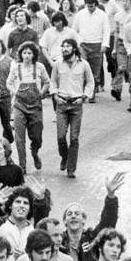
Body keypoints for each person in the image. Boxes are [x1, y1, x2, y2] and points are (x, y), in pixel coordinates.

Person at [50, 38, 94, 179]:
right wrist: (55, 95)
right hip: (62, 103)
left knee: (74, 138)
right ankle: (65, 157)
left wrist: (84, 96)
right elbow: (53, 81)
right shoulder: (57, 64)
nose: (65, 49)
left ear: (74, 49)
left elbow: (90, 82)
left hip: (76, 104)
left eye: (68, 47)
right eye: (63, 47)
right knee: (61, 137)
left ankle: (71, 168)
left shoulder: (83, 64)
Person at [0, 183, 50, 259]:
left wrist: (41, 199)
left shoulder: (33, 229)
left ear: (30, 208)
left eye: (26, 203)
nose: (21, 206)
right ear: (10, 205)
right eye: (18, 202)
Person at [7, 41, 50, 172]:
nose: (26, 55)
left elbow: (47, 82)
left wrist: (41, 93)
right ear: (21, 54)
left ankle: (35, 152)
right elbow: (8, 83)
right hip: (19, 105)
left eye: (29, 53)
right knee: (19, 138)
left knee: (37, 135)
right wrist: (15, 92)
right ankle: (22, 165)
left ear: (34, 54)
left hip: (35, 106)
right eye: (24, 53)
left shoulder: (40, 67)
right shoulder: (16, 67)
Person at [73, 0, 111, 98]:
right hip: (83, 45)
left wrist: (104, 44)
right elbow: (74, 30)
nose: (90, 8)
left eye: (92, 6)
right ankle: (83, 91)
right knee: (83, 67)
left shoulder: (102, 15)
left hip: (97, 44)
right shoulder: (80, 14)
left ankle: (92, 92)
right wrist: (77, 44)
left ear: (96, 4)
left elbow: (106, 30)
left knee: (95, 70)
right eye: (88, 6)